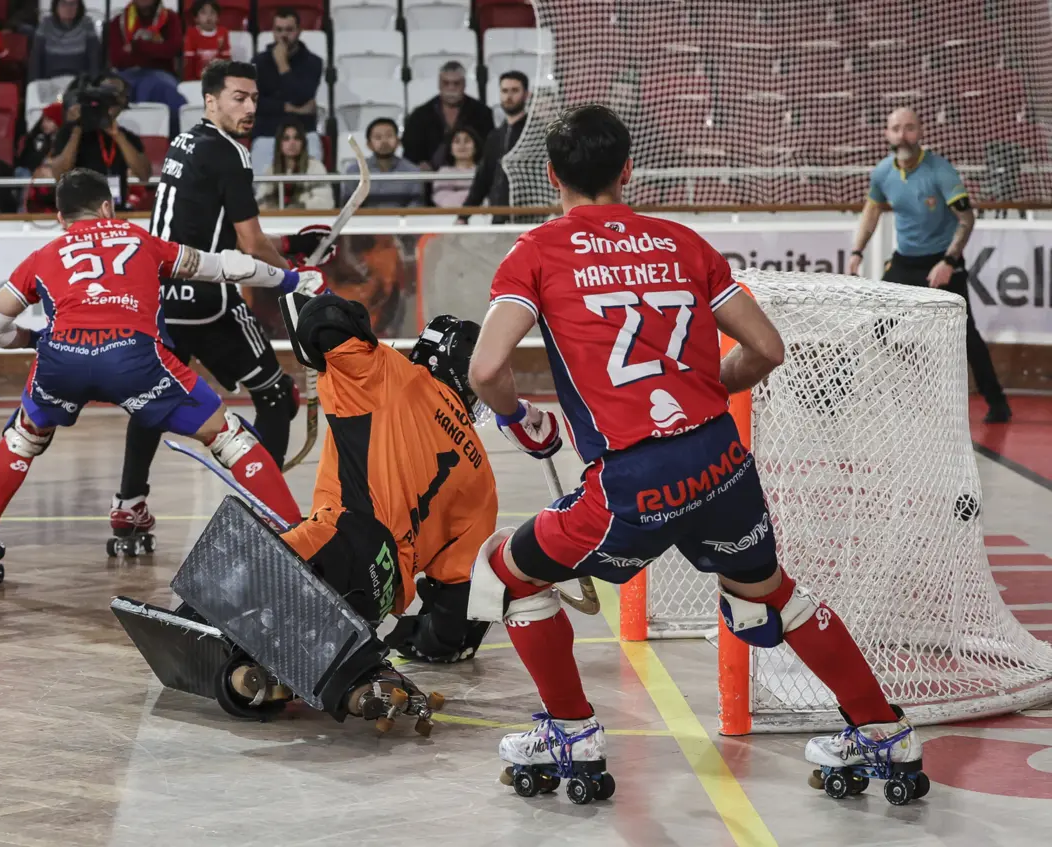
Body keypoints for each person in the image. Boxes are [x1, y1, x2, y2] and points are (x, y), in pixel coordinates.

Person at [465, 104, 923, 800]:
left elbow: (486, 367)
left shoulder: (535, 252)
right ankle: (883, 729)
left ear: (551, 175)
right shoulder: (684, 241)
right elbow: (767, 348)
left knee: (508, 568)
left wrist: (519, 418)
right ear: (627, 170)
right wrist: (712, 387)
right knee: (768, 591)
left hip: (632, 480)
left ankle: (570, 730)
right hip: (721, 461)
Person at [0, 167, 327, 588]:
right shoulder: (138, 240)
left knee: (23, 436)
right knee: (227, 436)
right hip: (130, 356)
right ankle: (298, 539)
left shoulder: (43, 257)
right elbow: (225, 268)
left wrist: (33, 338)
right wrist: (295, 279)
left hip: (62, 357)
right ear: (108, 208)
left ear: (61, 218)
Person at [114, 59, 338, 546]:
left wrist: (288, 247)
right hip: (206, 299)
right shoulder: (231, 153)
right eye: (239, 97)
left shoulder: (184, 141)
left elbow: (211, 229)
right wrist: (293, 275)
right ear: (210, 100)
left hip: (160, 297)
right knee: (278, 398)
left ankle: (128, 506)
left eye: (255, 98)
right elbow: (250, 243)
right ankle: (262, 515)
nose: (250, 106)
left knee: (151, 403)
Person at [274, 294, 497, 660]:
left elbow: (325, 319)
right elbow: (460, 593)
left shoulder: (393, 375)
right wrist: (419, 639)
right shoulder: (480, 469)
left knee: (219, 602)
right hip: (376, 596)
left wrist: (312, 296)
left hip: (332, 547)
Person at [851, 107, 1011, 424]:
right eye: (896, 128)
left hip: (942, 261)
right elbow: (872, 211)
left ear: (920, 131)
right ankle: (856, 398)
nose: (902, 135)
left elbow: (966, 218)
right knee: (874, 327)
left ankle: (998, 403)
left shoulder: (941, 171)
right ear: (887, 133)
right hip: (904, 261)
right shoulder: (883, 172)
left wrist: (949, 261)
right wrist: (857, 251)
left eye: (909, 128)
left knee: (966, 334)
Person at [45, 74, 151, 212]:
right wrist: (77, 129)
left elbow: (144, 175)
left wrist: (117, 136)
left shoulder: (126, 136)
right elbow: (59, 174)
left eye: (117, 99)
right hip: (81, 212)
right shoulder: (69, 133)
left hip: (116, 211)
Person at [457, 71, 529, 224]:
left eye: (515, 90)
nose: (509, 96)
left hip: (530, 217)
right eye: (504, 91)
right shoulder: (494, 137)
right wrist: (463, 216)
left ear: (526, 94)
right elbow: (482, 179)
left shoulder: (535, 133)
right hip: (499, 219)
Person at [108, 0, 186, 132]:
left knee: (164, 92)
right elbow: (117, 59)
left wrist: (136, 46)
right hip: (127, 73)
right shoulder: (118, 21)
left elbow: (172, 50)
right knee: (108, 93)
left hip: (160, 73)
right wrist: (154, 47)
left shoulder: (170, 18)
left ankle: (175, 143)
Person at [402, 61, 495, 173]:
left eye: (456, 83)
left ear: (464, 84)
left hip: (472, 177)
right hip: (428, 180)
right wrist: (419, 165)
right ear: (439, 84)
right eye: (446, 83)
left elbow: (489, 149)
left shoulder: (482, 113)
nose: (451, 88)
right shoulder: (420, 115)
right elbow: (410, 152)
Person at [251, 6, 322, 140]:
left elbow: (301, 98)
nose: (283, 35)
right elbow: (255, 103)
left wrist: (283, 65)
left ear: (299, 31)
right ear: (273, 32)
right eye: (279, 30)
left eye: (289, 30)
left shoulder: (313, 62)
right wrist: (288, 107)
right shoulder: (258, 62)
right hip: (267, 133)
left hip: (303, 133)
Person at [255, 116, 333, 210]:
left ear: (303, 143)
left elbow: (327, 203)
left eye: (297, 138)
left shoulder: (315, 167)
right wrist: (268, 205)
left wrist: (300, 206)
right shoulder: (272, 169)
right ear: (280, 144)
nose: (292, 143)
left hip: (306, 219)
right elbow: (259, 201)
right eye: (286, 139)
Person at [346, 118, 424, 208]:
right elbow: (349, 206)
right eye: (378, 137)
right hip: (364, 221)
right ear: (369, 144)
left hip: (402, 220)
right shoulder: (355, 171)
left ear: (398, 141)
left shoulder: (413, 171)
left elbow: (416, 206)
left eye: (389, 136)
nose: (384, 141)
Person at [30, 0, 101, 82]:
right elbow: (36, 59)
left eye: (73, 4)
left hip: (79, 81)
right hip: (50, 81)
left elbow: (94, 58)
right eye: (63, 4)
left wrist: (94, 83)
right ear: (56, 6)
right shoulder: (46, 24)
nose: (68, 8)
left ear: (79, 6)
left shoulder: (86, 24)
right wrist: (34, 84)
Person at [432, 127, 481, 208]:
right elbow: (442, 199)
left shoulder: (483, 171)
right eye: (457, 141)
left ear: (475, 147)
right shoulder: (444, 172)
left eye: (467, 141)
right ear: (451, 149)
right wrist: (473, 198)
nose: (462, 145)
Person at [182, 0, 230, 82]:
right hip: (197, 80)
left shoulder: (223, 32)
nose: (209, 16)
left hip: (218, 80)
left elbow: (226, 61)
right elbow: (189, 63)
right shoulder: (191, 33)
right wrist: (189, 82)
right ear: (196, 18)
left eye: (212, 12)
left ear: (218, 17)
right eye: (203, 13)